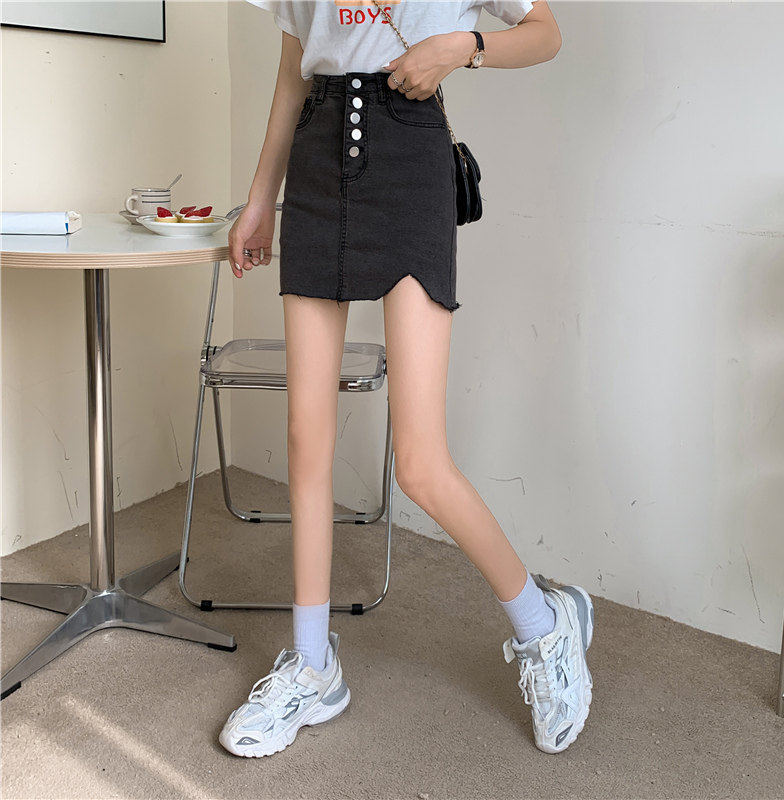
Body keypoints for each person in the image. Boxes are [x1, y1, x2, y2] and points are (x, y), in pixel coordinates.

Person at [219, 0, 593, 758]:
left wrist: (463, 46)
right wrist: (260, 200)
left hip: (409, 155)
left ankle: (545, 622)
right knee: (306, 440)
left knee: (420, 463)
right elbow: (292, 75)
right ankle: (313, 666)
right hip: (317, 157)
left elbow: (545, 33)